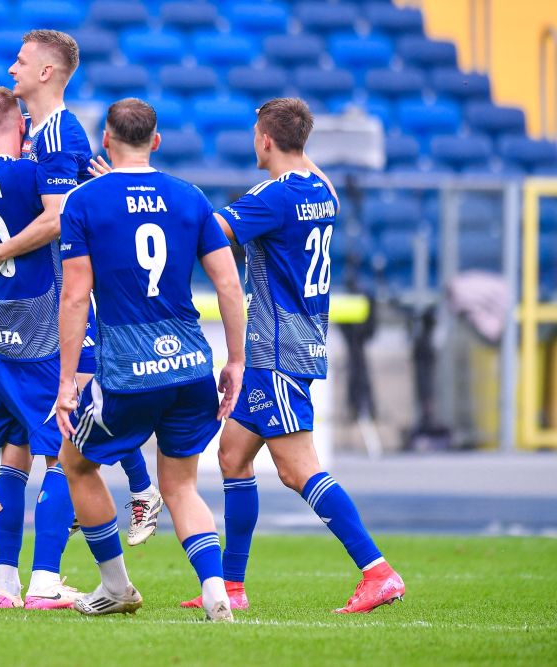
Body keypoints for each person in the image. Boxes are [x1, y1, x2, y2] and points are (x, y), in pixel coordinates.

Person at [179, 98, 405, 614]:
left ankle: (378, 571)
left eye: (256, 132)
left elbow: (213, 233)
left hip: (278, 347)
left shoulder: (272, 197)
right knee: (233, 457)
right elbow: (310, 175)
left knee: (297, 468)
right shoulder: (321, 190)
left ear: (265, 140)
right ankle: (232, 586)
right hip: (287, 341)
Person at [0, 29, 163, 546]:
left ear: (46, 72)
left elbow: (56, 217)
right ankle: (129, 496)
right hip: (49, 307)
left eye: (20, 61)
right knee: (65, 418)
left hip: (71, 299)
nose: (10, 69)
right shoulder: (39, 136)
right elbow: (26, 182)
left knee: (78, 409)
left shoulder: (62, 133)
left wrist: (1, 249)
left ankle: (137, 493)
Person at [54, 99, 247, 621]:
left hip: (128, 368)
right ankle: (214, 590)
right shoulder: (190, 197)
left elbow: (74, 296)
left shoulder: (84, 200)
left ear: (106, 142)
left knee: (75, 462)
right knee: (181, 485)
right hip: (189, 364)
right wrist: (236, 361)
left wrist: (68, 380)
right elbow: (230, 284)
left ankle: (116, 586)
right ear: (155, 142)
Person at [0, 86, 96, 609]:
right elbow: (60, 211)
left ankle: (6, 586)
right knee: (64, 457)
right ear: (22, 126)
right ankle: (45, 581)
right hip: (39, 335)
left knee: (13, 459)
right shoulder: (28, 170)